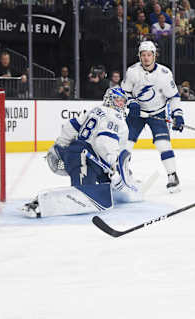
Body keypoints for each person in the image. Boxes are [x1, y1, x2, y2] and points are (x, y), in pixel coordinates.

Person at [22, 88, 141, 218]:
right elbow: (104, 142)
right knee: (83, 194)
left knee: (106, 188)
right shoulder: (116, 118)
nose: (122, 104)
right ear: (110, 100)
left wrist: (61, 144)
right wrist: (115, 166)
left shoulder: (96, 110)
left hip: (86, 156)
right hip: (84, 156)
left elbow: (72, 126)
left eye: (123, 101)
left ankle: (43, 203)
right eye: (118, 101)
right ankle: (40, 205)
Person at [121, 41, 184, 193]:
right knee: (125, 143)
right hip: (137, 113)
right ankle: (123, 174)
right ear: (139, 56)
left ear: (155, 56)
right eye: (143, 55)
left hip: (157, 113)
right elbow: (124, 92)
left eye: (149, 55)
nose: (146, 58)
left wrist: (178, 114)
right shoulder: (132, 71)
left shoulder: (164, 74)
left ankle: (172, 175)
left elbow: (174, 96)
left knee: (163, 144)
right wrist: (132, 103)